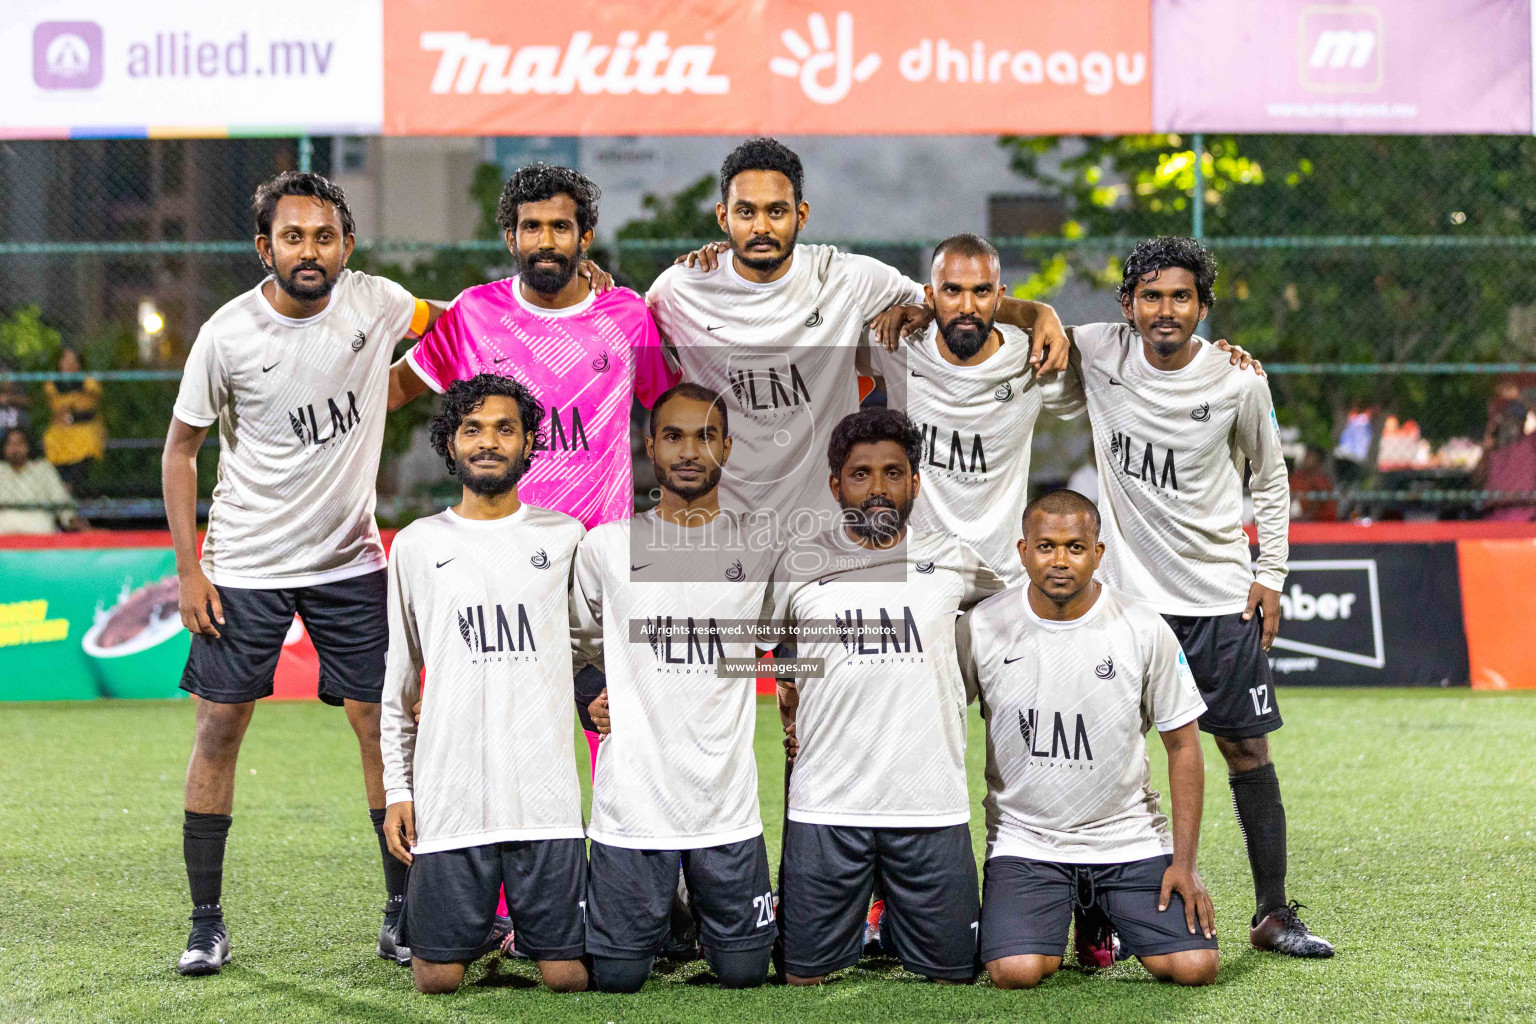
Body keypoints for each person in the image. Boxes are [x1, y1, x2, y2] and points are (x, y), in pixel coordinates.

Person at [388, 162, 678, 949]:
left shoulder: (628, 313)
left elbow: (675, 407)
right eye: (529, 227)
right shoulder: (475, 315)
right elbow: (393, 394)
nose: (544, 240)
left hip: (604, 564)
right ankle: (506, 914)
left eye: (560, 227)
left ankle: (629, 901)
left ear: (585, 237)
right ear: (509, 235)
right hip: (506, 560)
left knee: (619, 733)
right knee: (507, 732)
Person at [163, 171, 443, 976]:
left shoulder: (377, 301)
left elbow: (460, 323)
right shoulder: (227, 334)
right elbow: (180, 451)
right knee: (219, 729)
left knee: (383, 723)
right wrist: (190, 569)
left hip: (350, 560)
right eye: (293, 237)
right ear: (266, 248)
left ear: (346, 245)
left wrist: (397, 383)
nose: (310, 250)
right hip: (245, 564)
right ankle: (205, 922)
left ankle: (402, 912)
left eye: (324, 236)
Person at [1061, 237, 1332, 957]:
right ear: (1127, 305)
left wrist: (1269, 574)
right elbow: (1030, 329)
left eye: (1182, 296)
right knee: (1107, 755)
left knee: (1246, 748)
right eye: (1151, 296)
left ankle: (1273, 913)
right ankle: (1095, 915)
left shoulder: (1238, 382)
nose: (1165, 309)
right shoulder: (1097, 352)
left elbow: (1270, 482)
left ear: (1204, 307)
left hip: (1218, 598)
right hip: (1125, 602)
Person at [647, 138, 1070, 532]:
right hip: (722, 522)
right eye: (746, 212)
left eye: (776, 211)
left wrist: (1034, 311)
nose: (761, 226)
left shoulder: (848, 279)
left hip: (824, 527)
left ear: (801, 214)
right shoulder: (678, 289)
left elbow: (949, 303)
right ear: (723, 217)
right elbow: (616, 329)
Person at [769, 408, 1003, 985]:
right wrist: (794, 692)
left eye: (893, 473)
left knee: (954, 974)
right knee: (801, 975)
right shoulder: (800, 563)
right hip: (827, 805)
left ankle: (898, 924)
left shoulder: (955, 560)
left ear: (915, 483)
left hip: (929, 804)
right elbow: (777, 644)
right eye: (861, 474)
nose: (878, 488)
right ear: (835, 485)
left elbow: (1010, 621)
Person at [379, 374, 589, 995]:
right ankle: (489, 928)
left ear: (528, 444)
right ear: (451, 444)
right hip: (453, 798)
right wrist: (399, 786)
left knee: (568, 978)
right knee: (436, 980)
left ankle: (530, 927)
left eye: (505, 429)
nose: (488, 442)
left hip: (544, 801)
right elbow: (399, 680)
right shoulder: (418, 545)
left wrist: (601, 693)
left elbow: (588, 647)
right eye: (472, 429)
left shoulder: (565, 536)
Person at [959, 489, 1217, 989]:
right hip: (1027, 838)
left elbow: (1184, 746)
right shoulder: (984, 626)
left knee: (1195, 968)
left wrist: (1184, 864)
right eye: (1046, 546)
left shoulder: (1142, 628)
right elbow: (941, 718)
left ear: (1098, 554)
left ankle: (1099, 905)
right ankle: (1080, 906)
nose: (1060, 560)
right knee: (1016, 973)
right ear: (1022, 551)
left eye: (1075, 547)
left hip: (1126, 836)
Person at [573, 383, 779, 992]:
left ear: (727, 447)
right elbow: (575, 645)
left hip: (726, 806)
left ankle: (690, 913)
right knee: (617, 979)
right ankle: (669, 912)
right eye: (673, 436)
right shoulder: (606, 546)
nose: (690, 450)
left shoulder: (758, 546)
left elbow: (777, 639)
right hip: (632, 807)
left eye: (705, 436)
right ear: (650, 446)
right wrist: (589, 696)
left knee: (743, 974)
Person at [869, 233, 1083, 583]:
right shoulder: (897, 345)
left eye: (981, 291)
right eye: (952, 290)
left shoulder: (1033, 356)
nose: (967, 306)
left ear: (999, 297)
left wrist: (1041, 311)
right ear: (929, 296)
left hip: (1001, 580)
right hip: (918, 576)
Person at [43, 348, 106, 495]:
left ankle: (69, 493)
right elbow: (57, 411)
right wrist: (73, 405)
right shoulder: (52, 383)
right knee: (50, 440)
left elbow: (89, 408)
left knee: (85, 443)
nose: (70, 364)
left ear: (79, 363)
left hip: (84, 428)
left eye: (74, 360)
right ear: (59, 363)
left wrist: (72, 411)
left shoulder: (89, 381)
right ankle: (65, 493)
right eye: (66, 359)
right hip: (60, 430)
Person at [0, 426, 86, 534]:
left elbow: (60, 500)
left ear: (28, 446)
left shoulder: (43, 468)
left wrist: (74, 521)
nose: (15, 449)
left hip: (37, 526)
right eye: (10, 444)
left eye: (20, 443)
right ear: (4, 448)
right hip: (4, 528)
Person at [1477, 379, 1536, 521]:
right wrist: (1487, 445)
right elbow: (1477, 480)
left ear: (1521, 422)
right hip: (1494, 516)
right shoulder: (1493, 448)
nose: (1508, 424)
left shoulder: (1530, 443)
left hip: (1526, 514)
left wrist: (1520, 398)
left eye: (1514, 419)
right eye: (1505, 418)